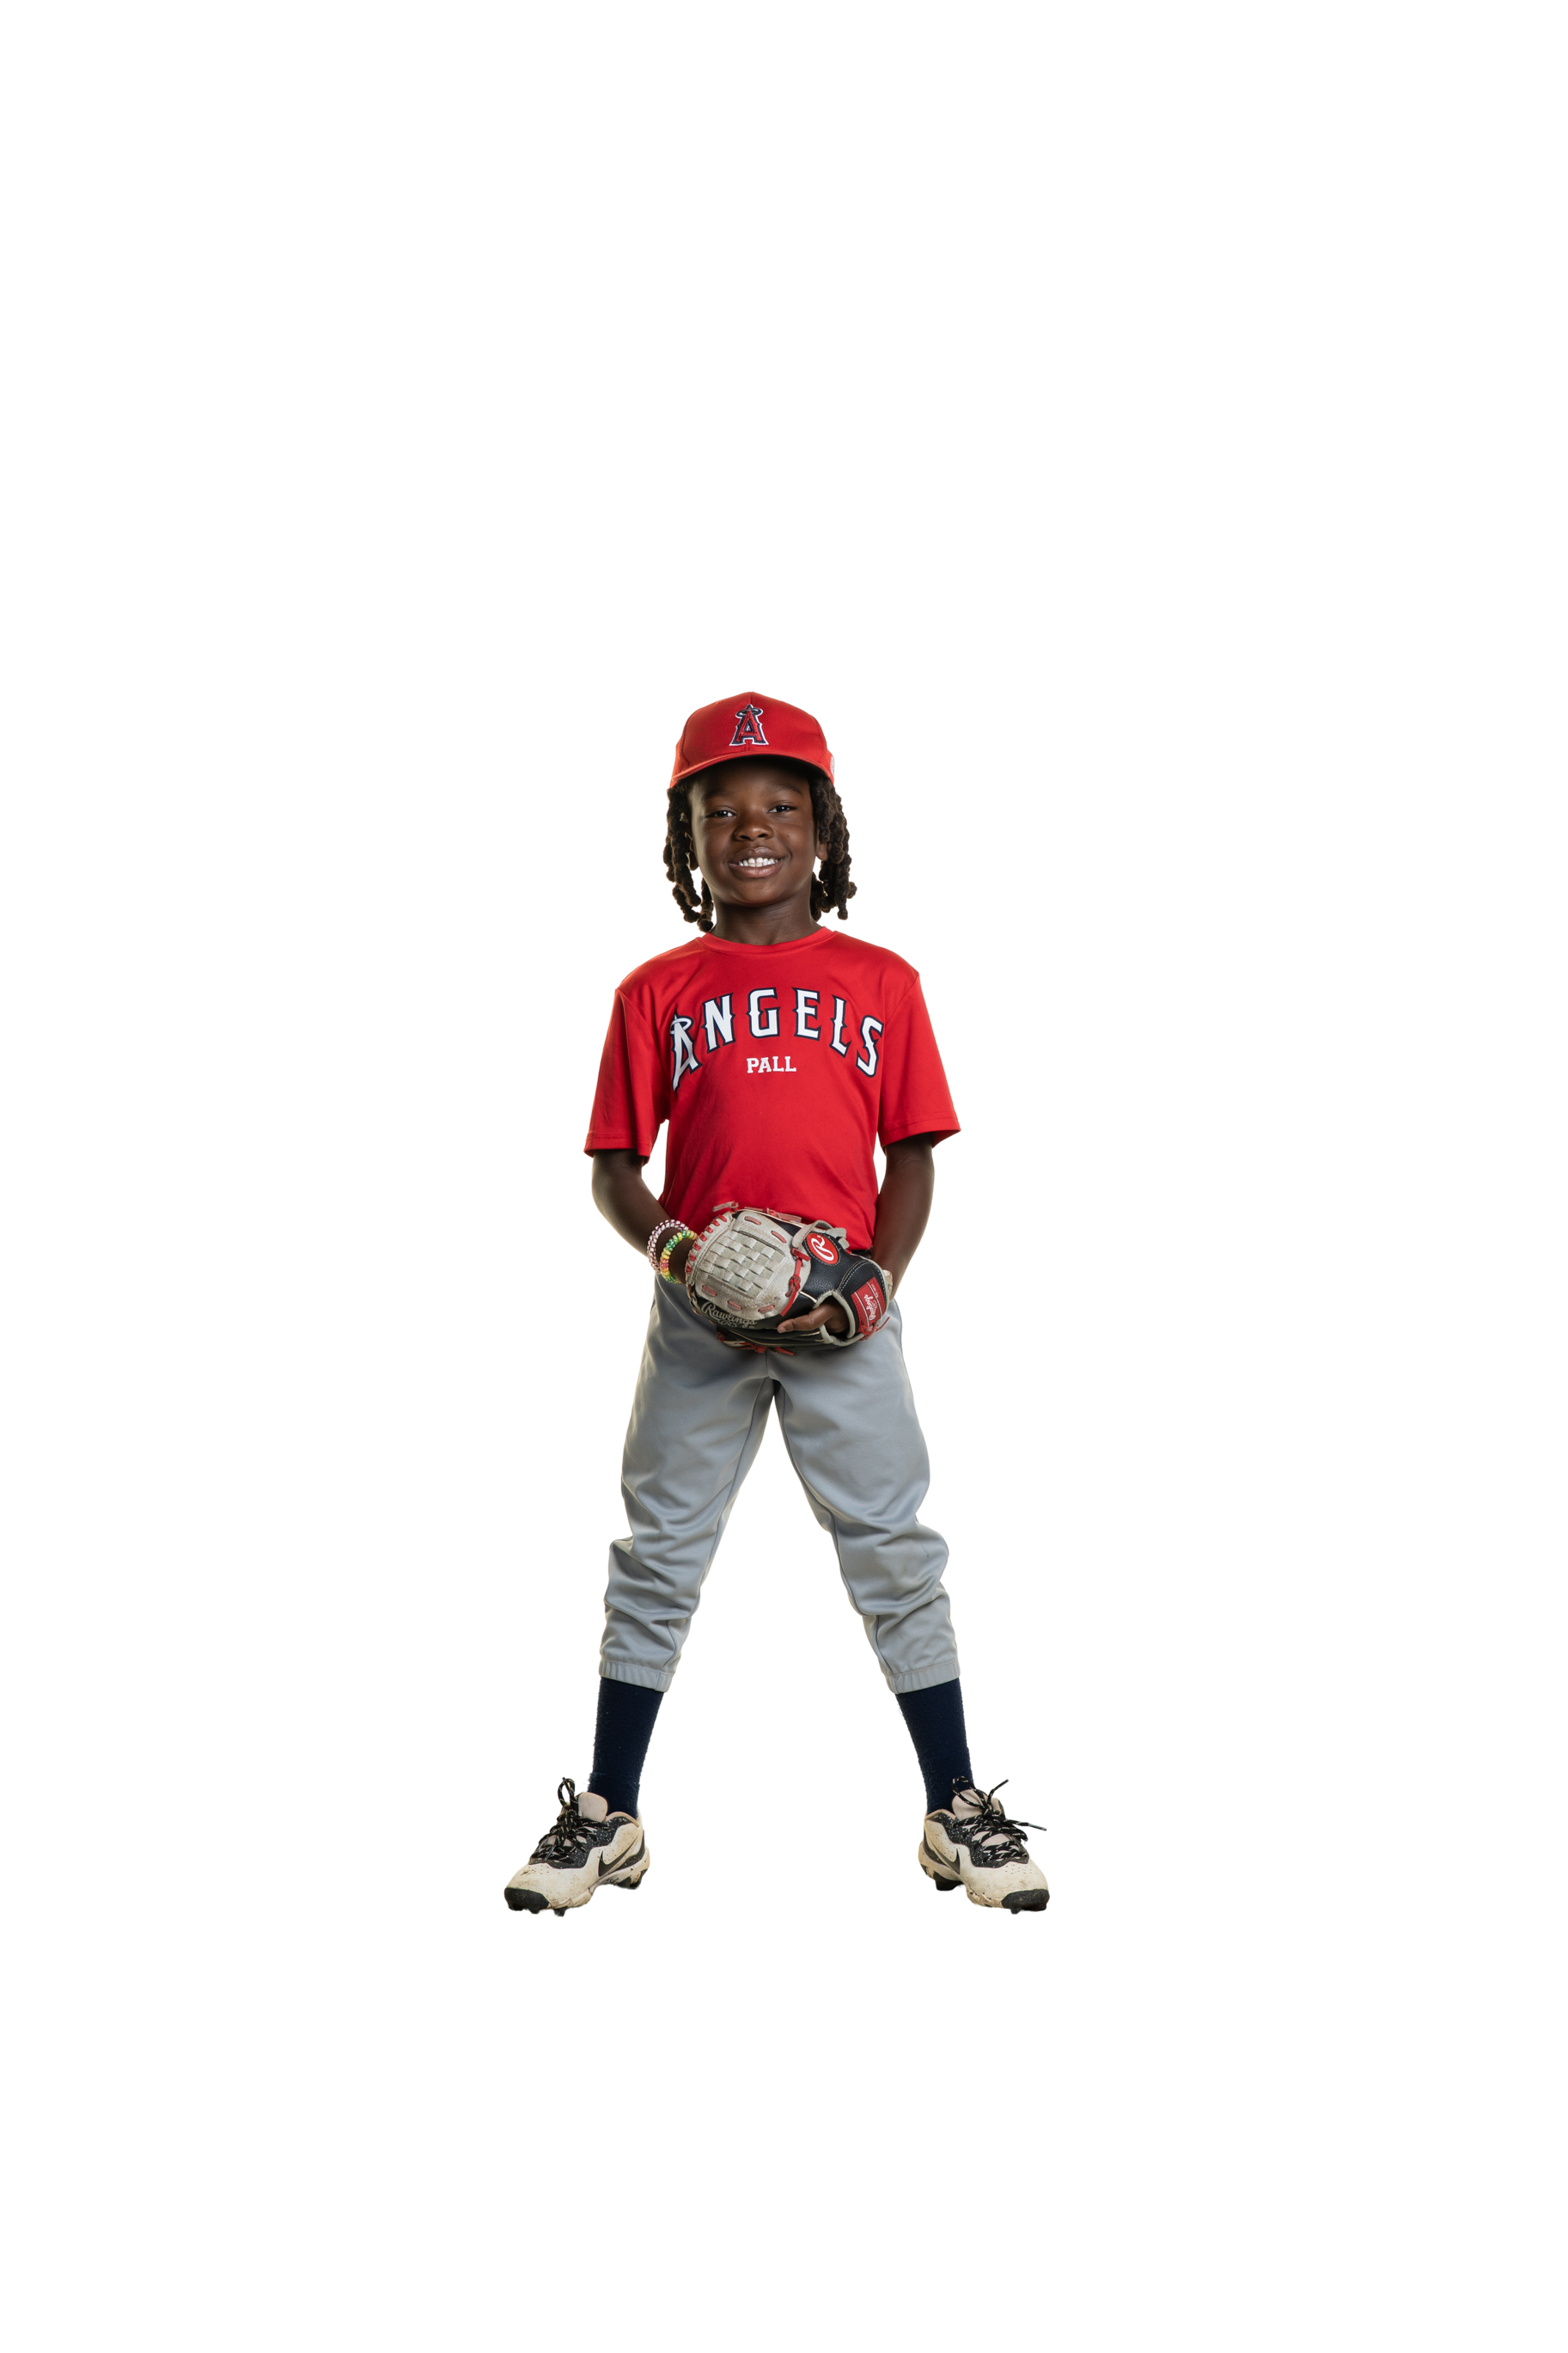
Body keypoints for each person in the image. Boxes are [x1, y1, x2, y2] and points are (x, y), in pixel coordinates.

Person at [503, 694, 1048, 1917]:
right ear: (686, 836)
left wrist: (874, 1288)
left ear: (823, 828)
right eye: (721, 810)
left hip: (846, 1314)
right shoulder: (654, 989)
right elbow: (612, 1171)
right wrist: (677, 1256)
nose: (752, 828)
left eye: (781, 806)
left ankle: (956, 1803)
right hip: (696, 1312)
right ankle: (610, 1811)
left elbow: (913, 1160)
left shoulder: (882, 979)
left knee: (894, 1548)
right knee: (656, 1554)